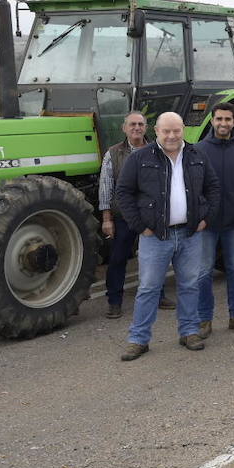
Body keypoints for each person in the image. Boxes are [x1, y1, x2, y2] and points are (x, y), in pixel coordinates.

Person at [117, 112, 220, 361]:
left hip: (190, 234)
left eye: (176, 130)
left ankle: (189, 331)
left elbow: (213, 187)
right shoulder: (140, 158)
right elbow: (124, 193)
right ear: (157, 131)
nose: (172, 136)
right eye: (166, 131)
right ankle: (138, 339)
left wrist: (206, 218)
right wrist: (141, 226)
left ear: (183, 129)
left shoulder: (197, 155)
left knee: (189, 285)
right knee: (149, 288)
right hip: (155, 237)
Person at [194, 102, 234, 337]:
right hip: (207, 224)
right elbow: (194, 187)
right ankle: (204, 320)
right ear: (212, 121)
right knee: (203, 272)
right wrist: (201, 214)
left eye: (227, 119)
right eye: (219, 119)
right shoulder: (198, 150)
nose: (223, 123)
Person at [99, 111, 148, 319]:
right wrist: (107, 219)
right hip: (124, 215)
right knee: (118, 258)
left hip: (149, 215)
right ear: (124, 128)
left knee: (152, 258)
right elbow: (106, 187)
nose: (136, 128)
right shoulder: (113, 153)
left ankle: (159, 294)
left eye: (140, 124)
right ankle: (115, 301)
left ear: (146, 127)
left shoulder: (157, 150)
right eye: (132, 124)